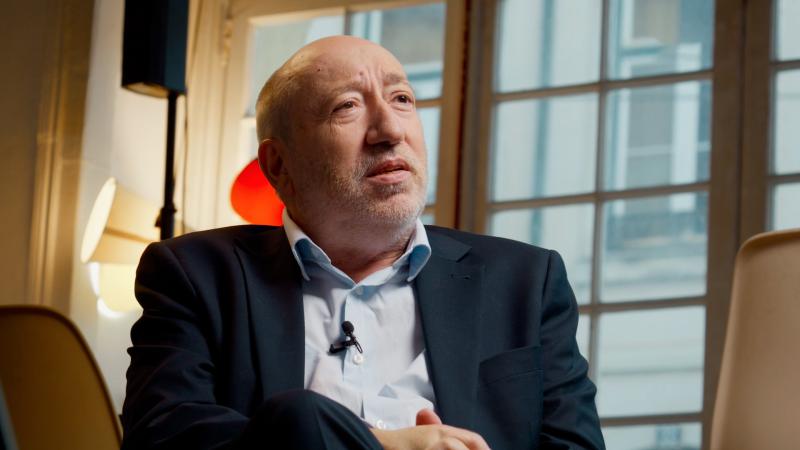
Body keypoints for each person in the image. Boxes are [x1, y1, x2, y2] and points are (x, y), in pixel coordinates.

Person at [121, 36, 604, 450]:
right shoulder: (195, 274)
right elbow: (162, 438)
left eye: (402, 99)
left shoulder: (525, 281)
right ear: (278, 166)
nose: (390, 131)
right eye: (347, 107)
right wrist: (380, 445)